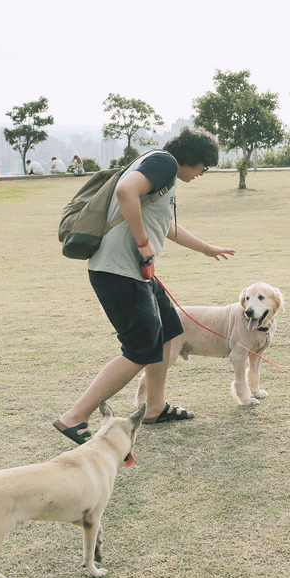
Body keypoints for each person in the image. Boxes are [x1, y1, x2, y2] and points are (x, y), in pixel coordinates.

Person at [53, 127, 235, 444]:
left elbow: (164, 224)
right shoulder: (164, 163)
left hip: (135, 273)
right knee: (139, 348)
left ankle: (154, 407)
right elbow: (126, 192)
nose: (202, 173)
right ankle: (74, 417)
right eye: (204, 167)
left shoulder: (159, 168)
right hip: (119, 273)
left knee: (169, 330)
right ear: (194, 159)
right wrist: (142, 243)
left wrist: (206, 248)